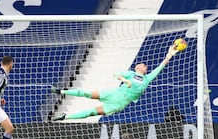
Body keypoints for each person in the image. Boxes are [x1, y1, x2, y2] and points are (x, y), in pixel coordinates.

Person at [51, 45, 180, 121]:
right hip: (114, 93)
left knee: (91, 112)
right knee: (86, 93)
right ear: (137, 68)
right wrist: (124, 80)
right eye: (142, 65)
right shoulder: (130, 74)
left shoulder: (147, 78)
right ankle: (60, 91)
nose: (145, 66)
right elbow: (115, 74)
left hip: (120, 102)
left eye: (145, 65)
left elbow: (160, 67)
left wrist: (169, 55)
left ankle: (65, 117)